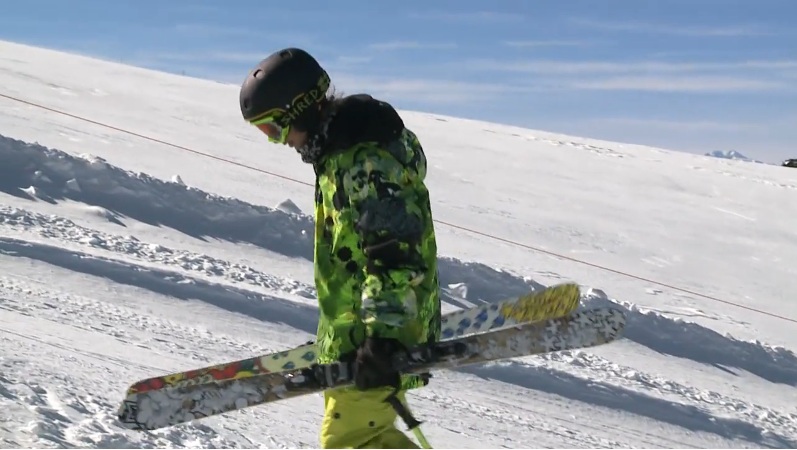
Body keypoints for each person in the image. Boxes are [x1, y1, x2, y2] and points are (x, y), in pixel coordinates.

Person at [239, 48, 442, 449]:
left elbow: (394, 250)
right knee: (362, 439)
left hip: (379, 335)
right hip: (360, 335)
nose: (279, 141)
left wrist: (383, 336)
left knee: (353, 441)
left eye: (274, 128)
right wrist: (340, 337)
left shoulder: (364, 160)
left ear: (298, 109)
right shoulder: (337, 158)